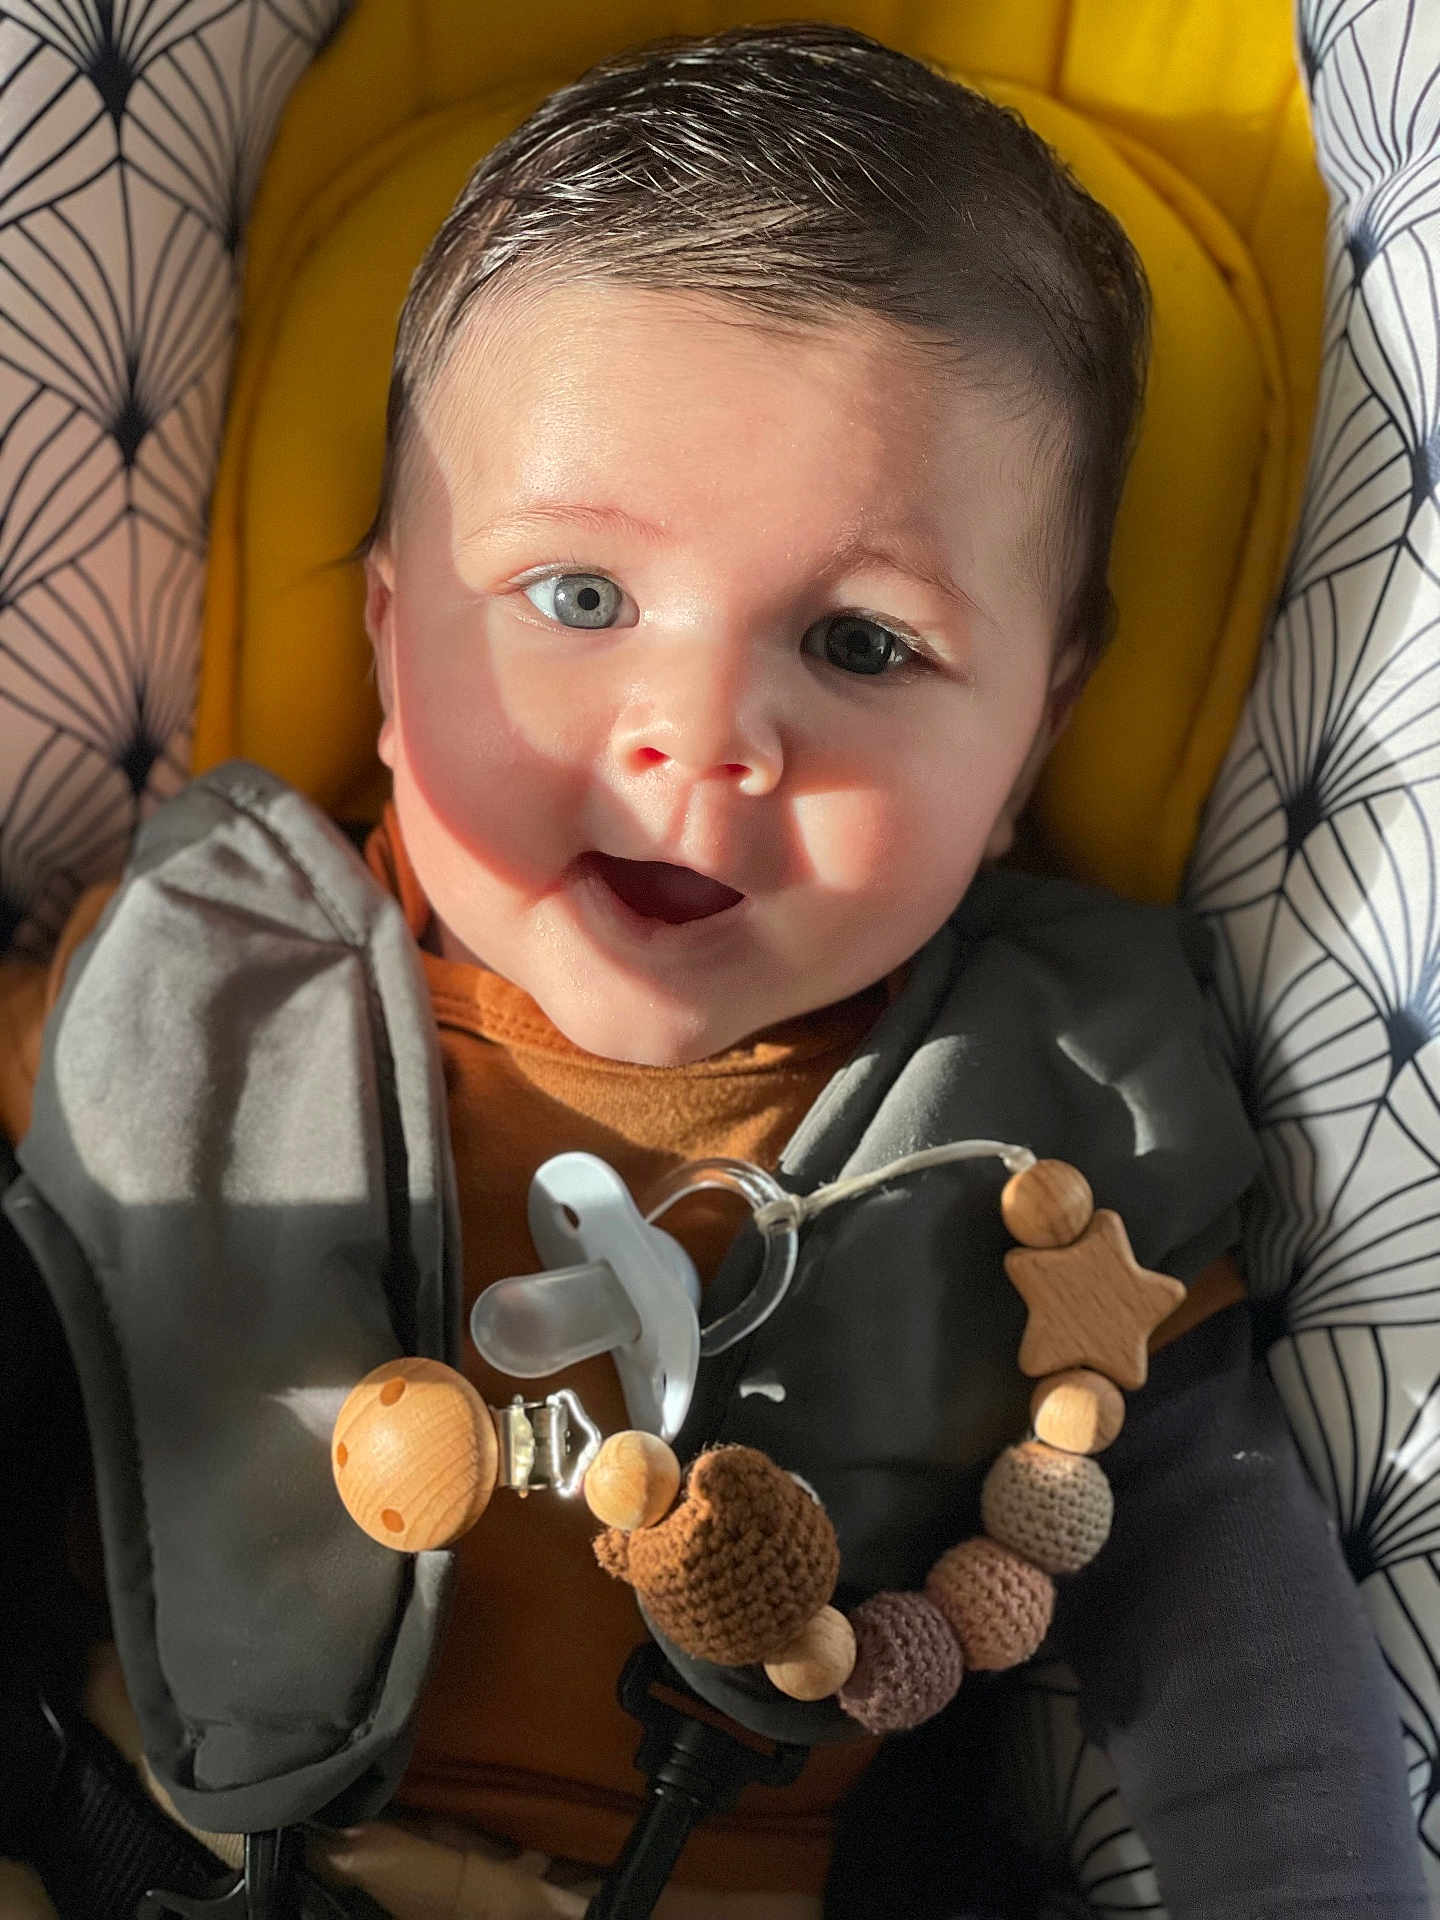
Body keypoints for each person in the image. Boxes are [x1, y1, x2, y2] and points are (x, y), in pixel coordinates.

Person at [0, 22, 1427, 1920]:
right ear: (387, 631)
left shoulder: (1058, 1118)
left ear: (1034, 739)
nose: (701, 732)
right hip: (139, 1846)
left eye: (859, 642)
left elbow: (1219, 1599)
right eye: (578, 599)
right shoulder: (198, 976)